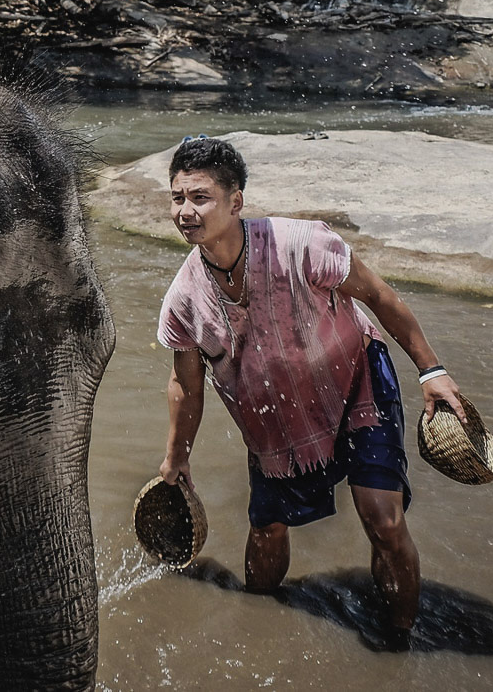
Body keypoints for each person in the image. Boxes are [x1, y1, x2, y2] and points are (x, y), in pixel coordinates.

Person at [156, 136, 465, 641]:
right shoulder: (184, 299)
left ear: (236, 202)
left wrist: (432, 372)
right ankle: (257, 624)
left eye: (199, 198)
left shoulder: (303, 243)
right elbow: (186, 386)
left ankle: (398, 643)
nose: (185, 211)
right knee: (267, 527)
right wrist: (176, 457)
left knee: (383, 522)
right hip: (275, 416)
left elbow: (380, 296)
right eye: (177, 198)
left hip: (356, 382)